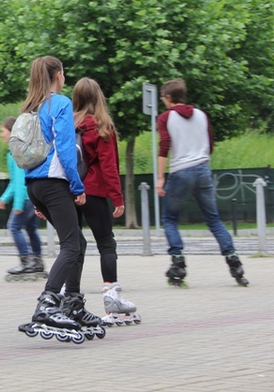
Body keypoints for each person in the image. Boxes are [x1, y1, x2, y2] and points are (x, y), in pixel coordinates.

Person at [16, 56, 105, 344]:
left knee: (78, 242)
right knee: (71, 244)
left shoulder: (31, 107)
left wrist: (39, 199)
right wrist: (77, 186)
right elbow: (66, 148)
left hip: (35, 185)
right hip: (55, 183)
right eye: (63, 74)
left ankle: (73, 303)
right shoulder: (60, 104)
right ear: (58, 75)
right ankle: (48, 303)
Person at [155, 78, 248, 287]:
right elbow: (210, 145)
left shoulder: (165, 117)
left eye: (163, 98)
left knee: (169, 218)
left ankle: (178, 263)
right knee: (213, 219)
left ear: (169, 97)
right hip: (203, 169)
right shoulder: (201, 115)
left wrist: (161, 178)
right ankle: (234, 261)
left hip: (181, 172)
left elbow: (164, 148)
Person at [72, 78, 140, 325]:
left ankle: (71, 301)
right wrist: (117, 198)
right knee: (106, 244)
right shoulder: (102, 126)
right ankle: (111, 299)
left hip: (69, 190)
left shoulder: (67, 124)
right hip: (94, 192)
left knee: (73, 246)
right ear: (99, 97)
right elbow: (109, 166)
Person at [0, 116, 46, 281]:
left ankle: (26, 262)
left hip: (25, 198)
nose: (0, 134)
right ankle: (38, 262)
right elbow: (14, 181)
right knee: (31, 229)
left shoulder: (14, 151)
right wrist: (4, 198)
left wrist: (17, 204)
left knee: (13, 227)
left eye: (2, 131)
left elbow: (19, 181)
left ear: (11, 132)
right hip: (33, 197)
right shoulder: (23, 148)